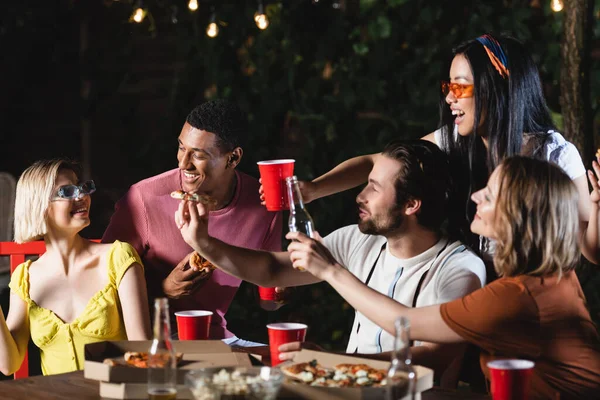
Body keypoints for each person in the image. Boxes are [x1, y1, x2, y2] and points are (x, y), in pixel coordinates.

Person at [175, 140, 486, 384]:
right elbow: (272, 270)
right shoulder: (360, 240)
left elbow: (431, 358)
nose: (359, 196)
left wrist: (331, 362)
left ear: (411, 204)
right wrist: (204, 243)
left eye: (374, 188)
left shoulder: (459, 270)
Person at [294, 156, 600, 399]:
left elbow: (404, 322)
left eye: (490, 195)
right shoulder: (555, 277)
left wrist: (330, 270)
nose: (476, 195)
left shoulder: (516, 296)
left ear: (519, 216)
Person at [281, 33, 596, 265]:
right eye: (448, 87)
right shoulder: (452, 141)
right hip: (468, 294)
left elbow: (590, 249)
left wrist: (597, 208)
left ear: (495, 89)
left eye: (459, 86)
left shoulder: (553, 155)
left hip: (526, 306)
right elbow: (377, 164)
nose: (449, 99)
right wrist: (311, 190)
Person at [102, 100, 283, 344]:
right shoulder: (143, 198)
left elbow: (268, 302)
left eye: (198, 155)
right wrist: (163, 290)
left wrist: (281, 289)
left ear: (233, 158)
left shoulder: (264, 206)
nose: (183, 163)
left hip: (217, 341)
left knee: (285, 371)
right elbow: (100, 288)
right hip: (147, 342)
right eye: (181, 147)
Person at [0, 159, 150, 376]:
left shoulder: (118, 257)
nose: (82, 196)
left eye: (82, 188)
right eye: (67, 191)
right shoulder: (25, 278)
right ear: (39, 206)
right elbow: (8, 364)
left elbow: (142, 351)